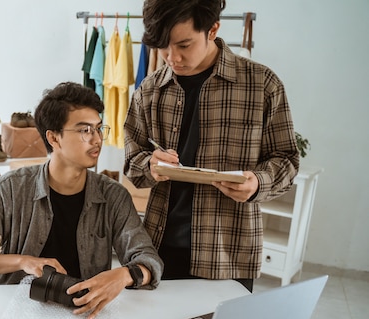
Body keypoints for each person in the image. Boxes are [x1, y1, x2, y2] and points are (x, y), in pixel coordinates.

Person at [123, 0, 299, 292]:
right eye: (163, 47)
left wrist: (257, 182)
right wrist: (149, 165)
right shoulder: (149, 90)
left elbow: (287, 160)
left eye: (183, 45)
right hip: (158, 249)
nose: (172, 57)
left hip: (228, 252)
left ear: (213, 29)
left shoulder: (262, 85)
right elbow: (132, 161)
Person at [0, 82, 163, 319]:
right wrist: (24, 261)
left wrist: (124, 274)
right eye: (84, 131)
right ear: (53, 138)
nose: (97, 139)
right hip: (17, 313)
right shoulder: (10, 189)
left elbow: (149, 261)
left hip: (85, 315)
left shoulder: (113, 196)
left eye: (99, 129)